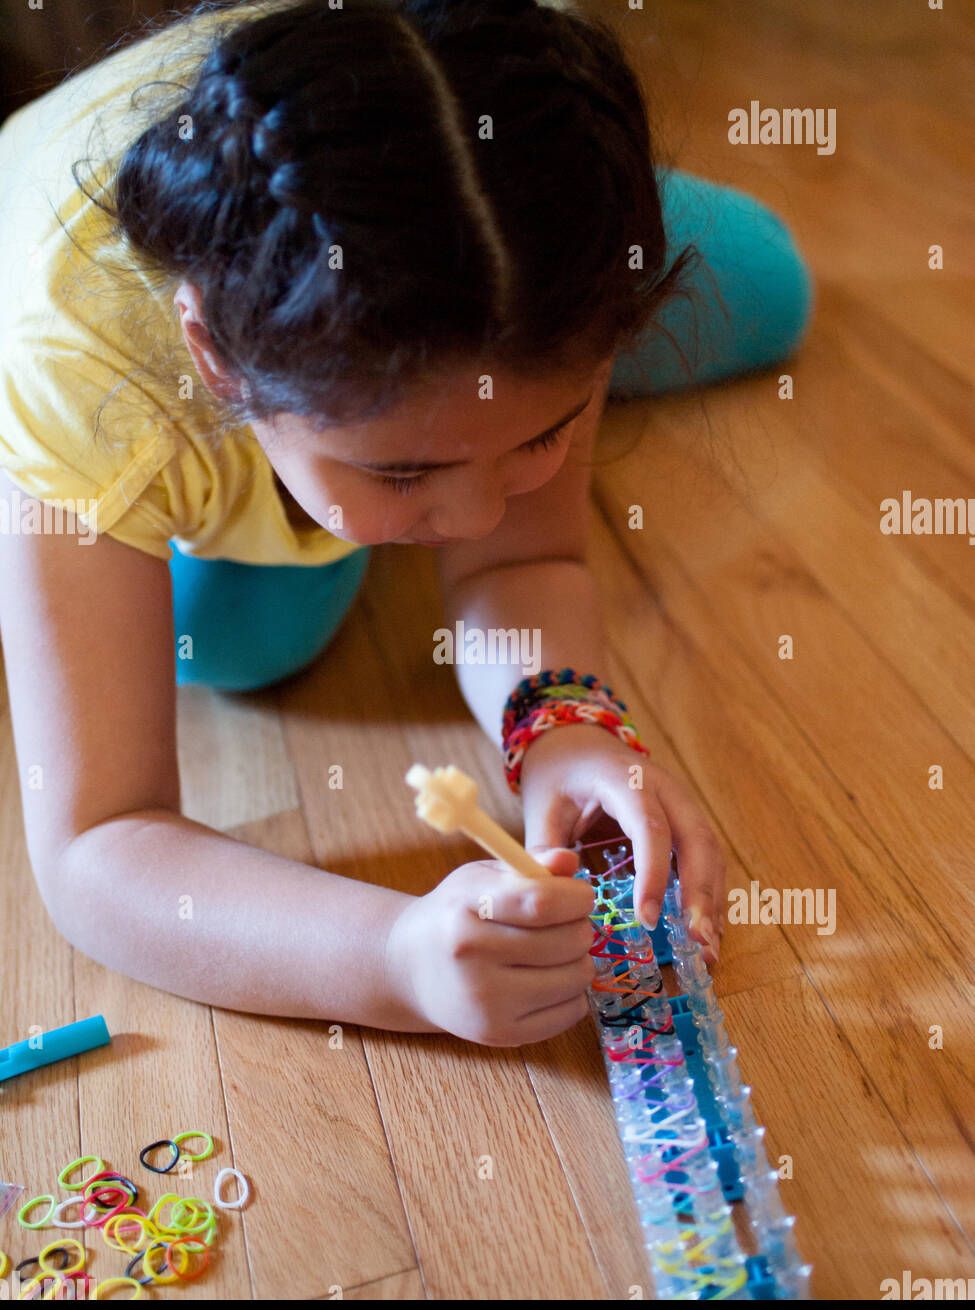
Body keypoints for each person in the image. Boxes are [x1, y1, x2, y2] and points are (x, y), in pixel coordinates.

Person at [0, 0, 813, 1046]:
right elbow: (96, 845)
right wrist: (392, 958)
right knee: (251, 640)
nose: (478, 514)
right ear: (214, 359)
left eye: (546, 431)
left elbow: (520, 560)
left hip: (444, 209)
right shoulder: (72, 373)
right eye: (404, 465)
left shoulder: (530, 261)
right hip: (144, 346)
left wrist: (561, 726)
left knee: (777, 289)